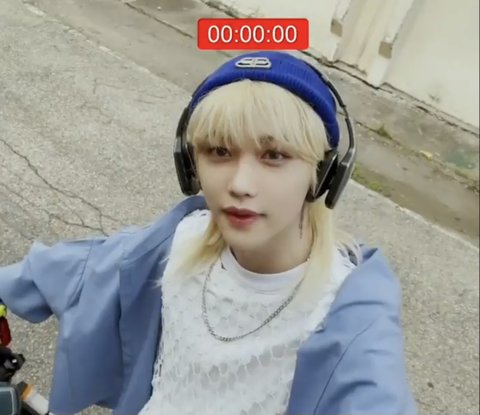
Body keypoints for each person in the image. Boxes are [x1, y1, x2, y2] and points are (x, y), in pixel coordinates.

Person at [0, 51, 417, 415]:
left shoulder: (351, 319)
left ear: (323, 173)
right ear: (190, 164)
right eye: (219, 151)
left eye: (274, 155)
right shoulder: (175, 243)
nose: (240, 184)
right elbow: (72, 269)